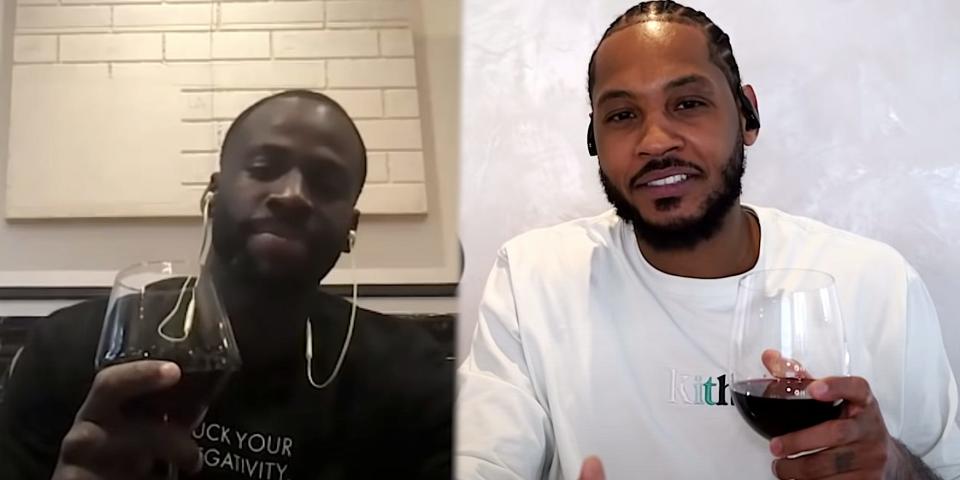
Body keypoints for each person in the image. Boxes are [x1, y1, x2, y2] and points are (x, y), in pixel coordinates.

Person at [456, 2, 960, 479]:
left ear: (747, 115)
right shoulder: (532, 278)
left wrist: (892, 466)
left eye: (688, 103)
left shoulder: (874, 282)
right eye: (622, 115)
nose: (655, 141)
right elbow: (482, 461)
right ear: (595, 140)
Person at [0, 90, 452, 479]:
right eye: (262, 166)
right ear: (213, 196)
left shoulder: (409, 374)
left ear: (350, 227)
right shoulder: (72, 347)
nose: (292, 194)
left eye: (327, 182)